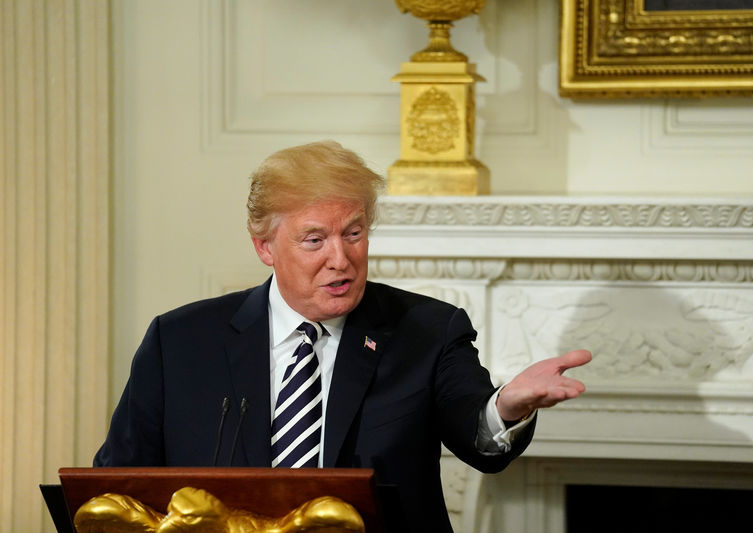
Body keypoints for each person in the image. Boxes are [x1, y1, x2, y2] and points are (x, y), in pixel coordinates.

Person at [94, 141, 591, 532]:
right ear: (264, 246)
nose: (341, 258)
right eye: (315, 240)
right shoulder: (181, 341)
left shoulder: (426, 329)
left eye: (353, 233)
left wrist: (507, 406)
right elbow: (117, 487)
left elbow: (477, 436)